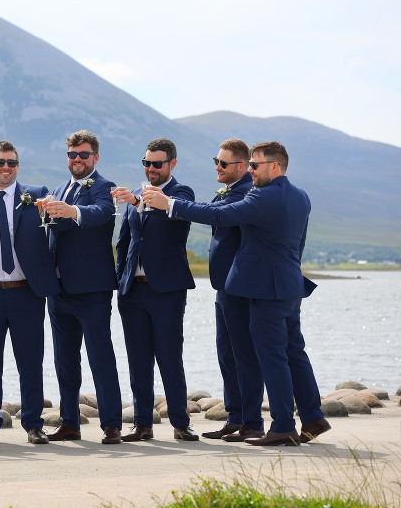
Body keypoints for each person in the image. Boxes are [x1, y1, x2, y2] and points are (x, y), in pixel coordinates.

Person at [145, 141, 331, 446]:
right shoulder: (301, 196)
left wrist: (171, 204)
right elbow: (298, 245)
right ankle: (312, 416)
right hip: (289, 284)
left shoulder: (263, 196)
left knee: (272, 357)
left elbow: (221, 216)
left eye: (255, 165)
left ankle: (283, 426)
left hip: (264, 288)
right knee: (294, 352)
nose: (252, 171)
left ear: (274, 166)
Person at [0, 140, 60, 445]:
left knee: (31, 362)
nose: (5, 168)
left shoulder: (36, 195)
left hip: (27, 293)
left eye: (11, 163)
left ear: (17, 166)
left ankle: (34, 424)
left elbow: (56, 227)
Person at [112, 137, 198, 441]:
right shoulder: (135, 195)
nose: (151, 168)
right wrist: (120, 279)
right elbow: (124, 241)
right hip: (132, 291)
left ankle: (180, 423)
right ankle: (142, 424)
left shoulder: (180, 193)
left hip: (167, 292)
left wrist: (138, 202)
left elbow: (169, 214)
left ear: (171, 164)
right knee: (138, 359)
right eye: (146, 163)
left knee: (169, 357)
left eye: (157, 164)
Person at [44, 130, 122, 444]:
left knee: (100, 357)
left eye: (83, 155)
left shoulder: (106, 187)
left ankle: (112, 424)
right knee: (64, 360)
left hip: (92, 290)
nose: (77, 160)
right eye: (72, 155)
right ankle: (70, 422)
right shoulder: (59, 189)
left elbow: (102, 213)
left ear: (95, 158)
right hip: (58, 290)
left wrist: (72, 211)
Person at [195, 139, 265, 442]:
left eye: (223, 163)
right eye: (216, 160)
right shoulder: (229, 192)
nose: (217, 167)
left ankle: (253, 421)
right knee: (227, 354)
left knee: (244, 355)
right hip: (224, 286)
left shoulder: (247, 194)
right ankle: (235, 417)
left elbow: (215, 214)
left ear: (242, 166)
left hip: (241, 287)